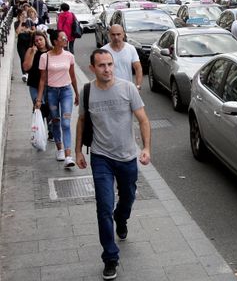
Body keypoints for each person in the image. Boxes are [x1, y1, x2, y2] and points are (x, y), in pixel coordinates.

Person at [75, 49, 151, 280]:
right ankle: (110, 257)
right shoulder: (87, 91)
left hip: (127, 157)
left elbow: (143, 120)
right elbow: (81, 121)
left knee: (127, 197)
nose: (107, 69)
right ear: (92, 68)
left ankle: (122, 217)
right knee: (103, 208)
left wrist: (146, 148)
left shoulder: (127, 88)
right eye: (101, 65)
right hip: (101, 158)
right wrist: (78, 150)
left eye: (109, 64)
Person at [35, 29, 79, 168]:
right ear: (55, 41)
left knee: (65, 123)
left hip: (66, 92)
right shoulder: (45, 57)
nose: (66, 40)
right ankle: (59, 149)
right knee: (55, 121)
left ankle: (68, 156)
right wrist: (39, 99)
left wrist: (77, 93)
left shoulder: (69, 56)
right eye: (63, 38)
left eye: (66, 37)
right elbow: (42, 79)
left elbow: (73, 76)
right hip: (52, 93)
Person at [24, 30, 53, 140]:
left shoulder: (51, 51)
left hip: (49, 85)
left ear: (45, 39)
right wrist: (33, 53)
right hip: (34, 85)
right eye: (36, 41)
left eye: (40, 39)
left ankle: (51, 131)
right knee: (39, 107)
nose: (39, 42)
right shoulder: (31, 50)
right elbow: (26, 67)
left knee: (50, 108)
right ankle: (39, 132)